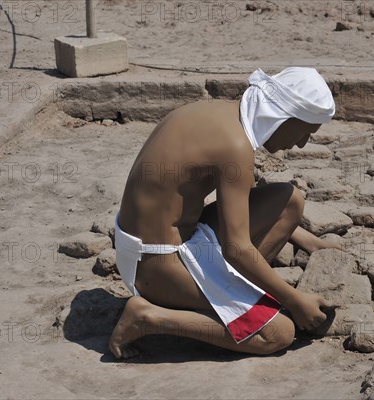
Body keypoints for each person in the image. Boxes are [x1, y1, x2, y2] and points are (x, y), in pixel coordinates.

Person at [110, 67, 339, 359]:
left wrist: (310, 241)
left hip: (152, 242)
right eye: (305, 131)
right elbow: (237, 249)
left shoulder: (221, 114)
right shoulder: (235, 148)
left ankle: (240, 294)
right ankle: (148, 317)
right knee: (279, 332)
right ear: (285, 116)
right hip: (153, 264)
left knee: (289, 200)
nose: (302, 143)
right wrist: (294, 300)